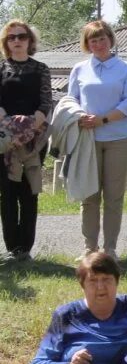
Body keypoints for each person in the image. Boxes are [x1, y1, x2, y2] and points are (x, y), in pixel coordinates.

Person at [65, 21, 127, 260]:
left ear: (110, 39)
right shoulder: (79, 69)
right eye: (92, 40)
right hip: (87, 140)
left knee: (113, 197)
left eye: (102, 38)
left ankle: (110, 248)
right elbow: (71, 100)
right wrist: (80, 117)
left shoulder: (125, 68)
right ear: (87, 44)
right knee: (89, 196)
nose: (98, 44)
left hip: (118, 138)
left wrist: (103, 119)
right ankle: (89, 248)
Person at [0, 19, 51, 261]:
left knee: (29, 194)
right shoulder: (1, 68)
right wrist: (12, 130)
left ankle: (26, 250)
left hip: (34, 142)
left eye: (22, 36)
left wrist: (27, 129)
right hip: (5, 142)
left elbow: (45, 103)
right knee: (8, 195)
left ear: (30, 40)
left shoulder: (41, 69)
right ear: (6, 42)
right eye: (12, 37)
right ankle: (12, 249)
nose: (17, 40)